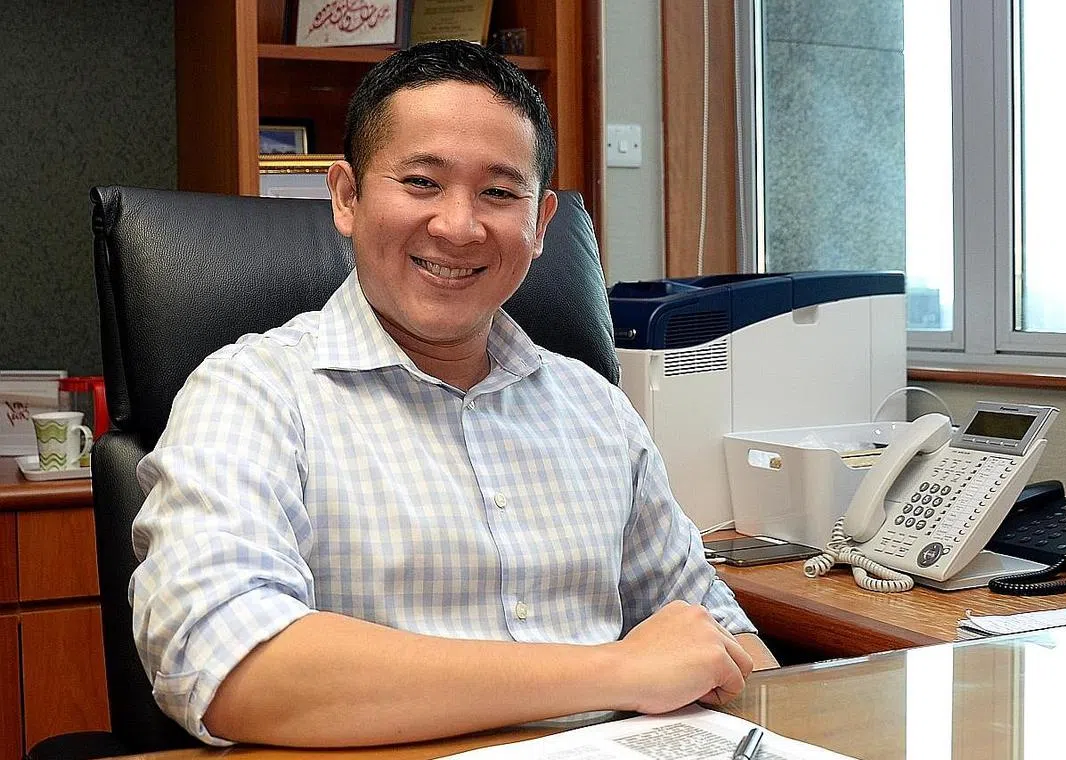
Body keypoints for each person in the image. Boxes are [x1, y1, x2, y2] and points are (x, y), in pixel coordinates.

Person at [130, 39, 778, 749]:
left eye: (499, 193)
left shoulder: (595, 408)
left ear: (540, 224)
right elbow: (228, 668)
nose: (459, 226)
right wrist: (615, 672)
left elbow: (715, 637)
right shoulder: (251, 393)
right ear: (346, 196)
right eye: (421, 182)